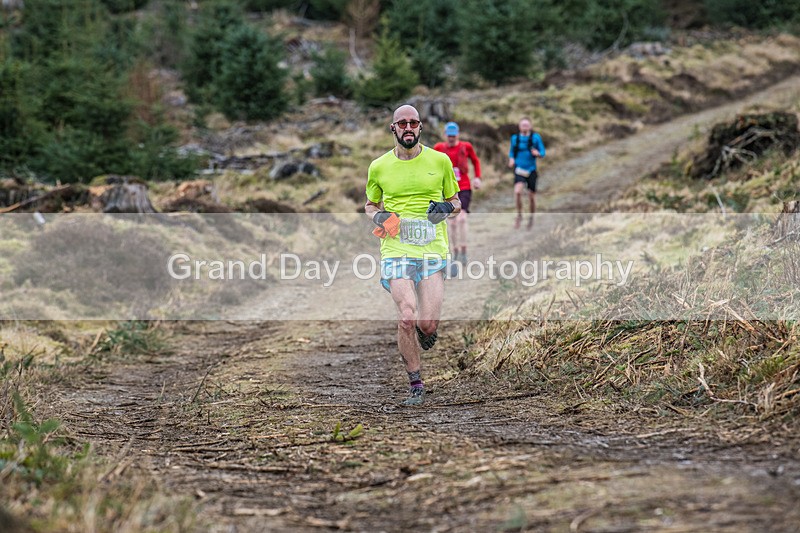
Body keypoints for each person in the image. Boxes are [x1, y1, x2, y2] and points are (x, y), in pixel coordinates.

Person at [365, 104, 461, 406]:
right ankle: (416, 384)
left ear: (420, 127)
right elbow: (370, 205)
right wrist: (379, 218)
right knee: (407, 316)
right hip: (396, 247)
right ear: (393, 128)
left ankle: (427, 329)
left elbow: (455, 200)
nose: (408, 128)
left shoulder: (440, 160)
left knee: (426, 323)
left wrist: (446, 208)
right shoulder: (378, 166)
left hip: (431, 247)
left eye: (414, 123)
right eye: (402, 123)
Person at [433, 122, 482, 266]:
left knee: (461, 218)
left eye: (454, 136)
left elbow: (475, 161)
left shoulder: (466, 146)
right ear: (445, 135)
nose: (451, 139)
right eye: (449, 136)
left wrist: (477, 177)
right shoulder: (438, 148)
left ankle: (464, 251)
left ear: (458, 135)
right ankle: (455, 252)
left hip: (464, 187)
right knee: (451, 222)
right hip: (447, 189)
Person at [508, 117, 546, 229]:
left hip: (531, 170)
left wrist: (538, 153)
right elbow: (511, 152)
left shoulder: (535, 138)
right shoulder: (515, 138)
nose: (524, 127)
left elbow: (543, 152)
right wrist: (511, 159)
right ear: (519, 127)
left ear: (530, 126)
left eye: (526, 125)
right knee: (518, 192)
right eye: (522, 125)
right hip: (519, 169)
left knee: (531, 196)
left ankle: (531, 217)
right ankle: (519, 215)